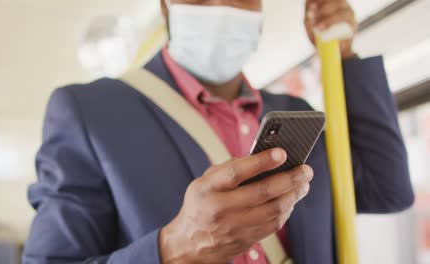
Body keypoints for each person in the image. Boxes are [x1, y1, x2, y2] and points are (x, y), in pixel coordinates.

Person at [23, 0, 414, 263]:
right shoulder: (90, 112)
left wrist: (343, 54)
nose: (221, 7)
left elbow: (388, 190)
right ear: (165, 6)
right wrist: (173, 248)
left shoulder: (295, 112)